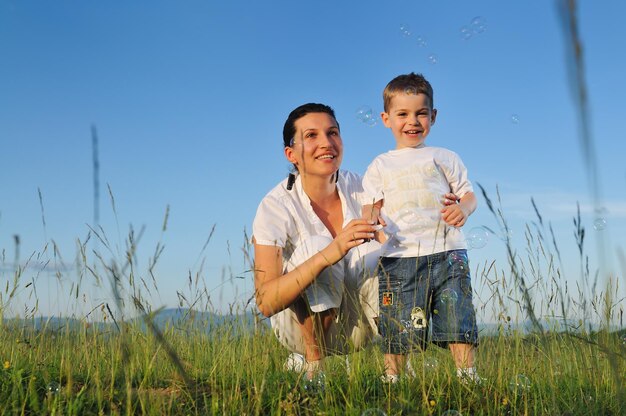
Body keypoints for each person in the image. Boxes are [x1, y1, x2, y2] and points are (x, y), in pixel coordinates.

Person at [362, 73, 480, 384]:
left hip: (448, 252)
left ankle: (466, 375)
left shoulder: (444, 157)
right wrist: (374, 220)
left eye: (420, 113)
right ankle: (392, 379)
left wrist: (463, 209)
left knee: (458, 315)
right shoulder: (380, 164)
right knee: (397, 321)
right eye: (402, 114)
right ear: (387, 119)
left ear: (433, 116)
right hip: (399, 256)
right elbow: (371, 206)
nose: (412, 121)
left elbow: (469, 195)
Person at [252, 103, 383, 382]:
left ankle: (398, 365)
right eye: (311, 136)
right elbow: (265, 302)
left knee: (382, 250)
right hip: (298, 329)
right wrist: (331, 252)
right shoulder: (275, 205)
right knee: (317, 244)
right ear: (291, 154)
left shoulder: (362, 188)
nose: (326, 143)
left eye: (332, 132)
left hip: (356, 326)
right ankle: (314, 367)